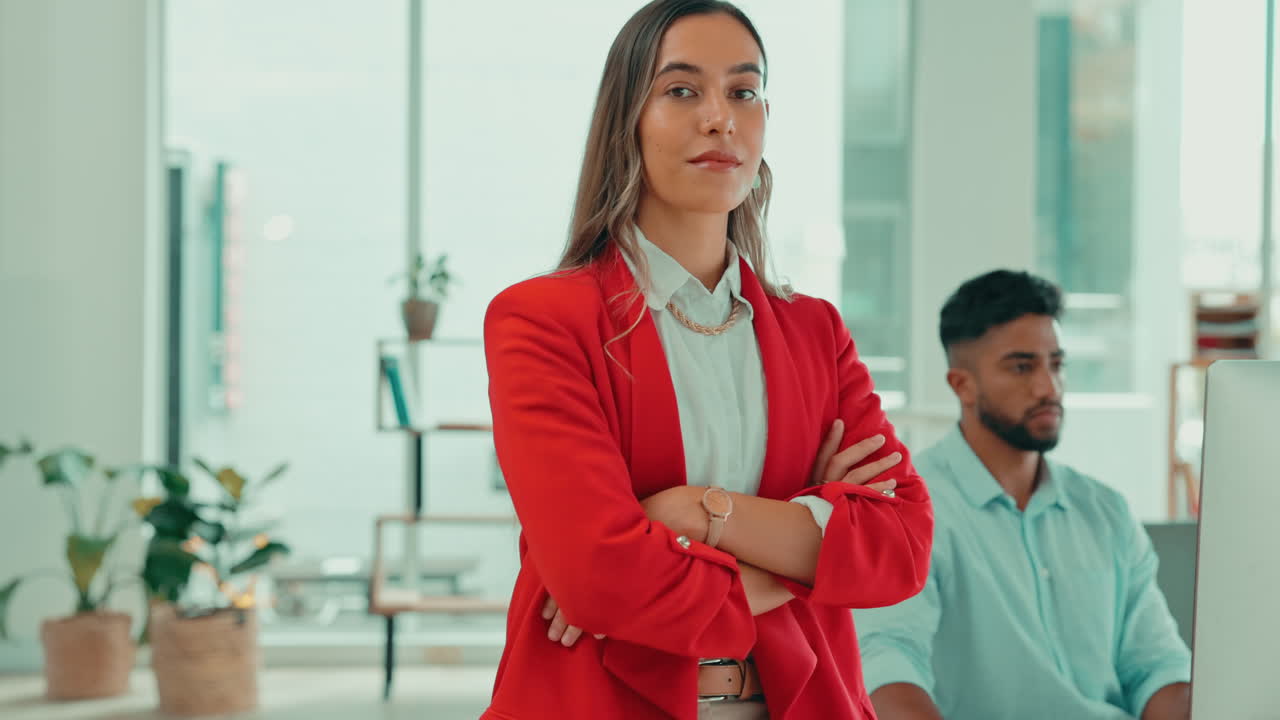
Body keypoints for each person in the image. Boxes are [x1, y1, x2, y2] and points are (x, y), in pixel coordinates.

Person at [481, 1, 933, 718]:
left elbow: (902, 545)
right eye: (682, 90)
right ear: (626, 118)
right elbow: (599, 578)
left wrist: (694, 515)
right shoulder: (542, 320)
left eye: (743, 91)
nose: (720, 118)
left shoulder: (816, 332)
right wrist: (810, 553)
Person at [855, 270, 1191, 720]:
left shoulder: (1105, 511)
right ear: (962, 385)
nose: (1048, 387)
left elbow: (1157, 668)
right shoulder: (906, 510)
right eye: (1022, 366)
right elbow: (886, 666)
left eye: (1056, 363)